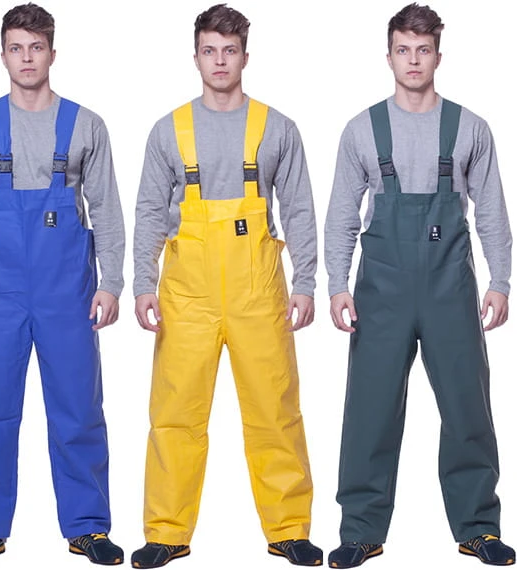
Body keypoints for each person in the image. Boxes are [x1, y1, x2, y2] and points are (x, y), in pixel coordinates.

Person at [131, 4, 322, 568]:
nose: (219, 61)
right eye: (209, 51)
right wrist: (142, 282)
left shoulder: (277, 128)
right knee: (175, 414)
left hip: (257, 292)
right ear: (195, 57)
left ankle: (289, 529)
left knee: (275, 411)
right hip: (185, 296)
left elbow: (300, 210)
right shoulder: (168, 130)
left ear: (245, 56)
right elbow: (149, 212)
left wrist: (306, 282)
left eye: (229, 51)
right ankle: (166, 532)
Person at [324, 3, 514, 568]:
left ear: (437, 56)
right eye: (403, 50)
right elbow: (341, 215)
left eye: (423, 50)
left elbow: (492, 211)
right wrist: (337, 284)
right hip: (380, 292)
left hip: (450, 288)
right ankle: (361, 532)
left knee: (467, 406)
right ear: (388, 57)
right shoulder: (361, 129)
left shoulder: (470, 127)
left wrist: (500, 280)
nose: (413, 60)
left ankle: (478, 528)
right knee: (370, 410)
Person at [0, 3, 125, 567]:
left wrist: (112, 282)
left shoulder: (87, 125)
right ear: (2, 55)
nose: (26, 58)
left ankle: (87, 527)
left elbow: (107, 210)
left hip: (68, 290)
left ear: (52, 53)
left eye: (36, 48)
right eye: (16, 48)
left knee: (77, 407)